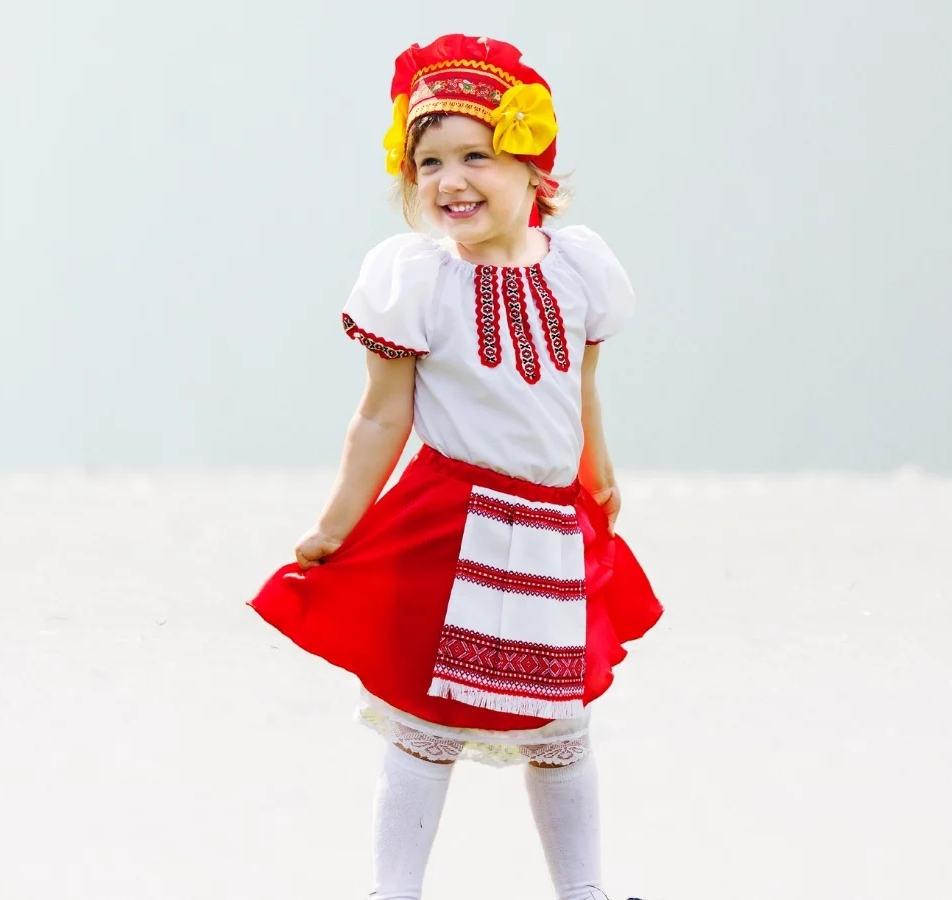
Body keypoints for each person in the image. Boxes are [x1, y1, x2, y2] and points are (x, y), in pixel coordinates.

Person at [248, 33, 661, 900]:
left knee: (560, 722)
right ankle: (392, 889)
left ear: (533, 169)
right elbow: (381, 413)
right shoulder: (418, 281)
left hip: (551, 526)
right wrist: (336, 525)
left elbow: (580, 389)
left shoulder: (579, 270)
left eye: (476, 154)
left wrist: (599, 471)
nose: (450, 179)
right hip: (453, 522)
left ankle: (581, 890)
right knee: (424, 718)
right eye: (428, 161)